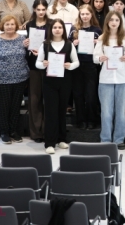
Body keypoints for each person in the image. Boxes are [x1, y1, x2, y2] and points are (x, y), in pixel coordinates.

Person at [36, 19, 79, 154]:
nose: (57, 29)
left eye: (60, 27)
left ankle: (61, 139)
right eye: (55, 27)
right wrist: (43, 64)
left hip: (65, 82)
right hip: (49, 83)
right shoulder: (45, 45)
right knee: (50, 112)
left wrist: (70, 66)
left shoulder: (69, 44)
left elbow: (76, 62)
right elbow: (37, 63)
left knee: (61, 110)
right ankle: (50, 142)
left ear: (63, 30)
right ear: (51, 29)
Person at [0, 15, 30, 144]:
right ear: (2, 26)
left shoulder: (23, 39)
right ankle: (4, 132)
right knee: (4, 106)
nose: (10, 26)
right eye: (7, 24)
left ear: (16, 26)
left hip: (20, 79)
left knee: (16, 106)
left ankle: (13, 131)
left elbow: (28, 56)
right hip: (1, 80)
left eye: (12, 24)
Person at [93, 11, 125, 149]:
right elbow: (95, 57)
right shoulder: (102, 38)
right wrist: (100, 58)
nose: (114, 22)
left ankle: (119, 139)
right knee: (106, 111)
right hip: (106, 79)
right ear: (107, 22)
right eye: (112, 20)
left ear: (120, 22)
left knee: (120, 111)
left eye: (117, 20)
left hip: (122, 79)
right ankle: (105, 139)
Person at [70, 5, 102, 129]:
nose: (84, 16)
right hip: (77, 65)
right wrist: (73, 43)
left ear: (91, 15)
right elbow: (67, 46)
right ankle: (81, 121)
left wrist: (98, 43)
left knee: (91, 95)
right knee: (78, 94)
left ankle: (92, 120)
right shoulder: (74, 29)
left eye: (87, 14)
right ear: (79, 15)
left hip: (91, 65)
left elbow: (103, 48)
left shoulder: (97, 30)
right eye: (82, 14)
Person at [24, 0, 51, 143]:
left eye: (43, 9)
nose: (41, 12)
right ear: (34, 9)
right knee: (35, 99)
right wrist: (26, 44)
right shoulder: (29, 25)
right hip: (34, 65)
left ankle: (48, 131)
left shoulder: (52, 24)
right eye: (38, 9)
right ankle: (36, 133)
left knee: (48, 99)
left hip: (49, 64)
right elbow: (27, 46)